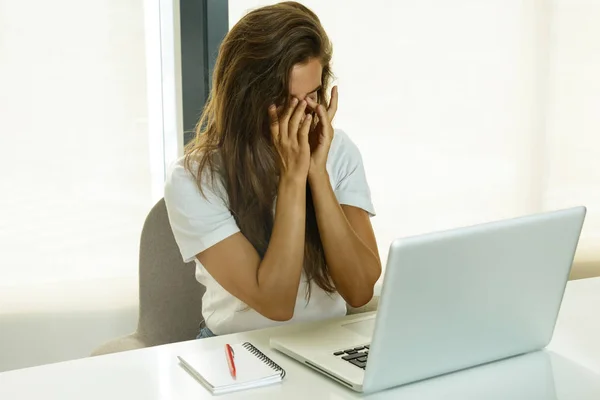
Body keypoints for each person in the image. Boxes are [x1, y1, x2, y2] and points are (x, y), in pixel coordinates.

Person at [164, 1, 381, 339]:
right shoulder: (194, 178)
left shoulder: (337, 151)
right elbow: (277, 304)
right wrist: (294, 177)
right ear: (245, 97)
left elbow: (359, 291)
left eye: (310, 97)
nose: (300, 115)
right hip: (238, 348)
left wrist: (317, 174)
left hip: (328, 343)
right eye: (283, 100)